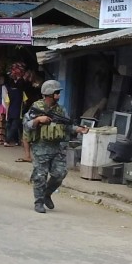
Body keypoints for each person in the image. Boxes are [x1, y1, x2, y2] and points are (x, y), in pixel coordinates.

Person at [23, 79, 87, 213]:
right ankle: (39, 202)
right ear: (49, 94)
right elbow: (26, 125)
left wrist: (79, 129)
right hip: (41, 146)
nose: (58, 95)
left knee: (60, 173)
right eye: (56, 93)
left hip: (56, 147)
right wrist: (37, 120)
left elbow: (68, 127)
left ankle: (47, 194)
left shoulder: (60, 110)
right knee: (40, 175)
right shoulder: (37, 107)